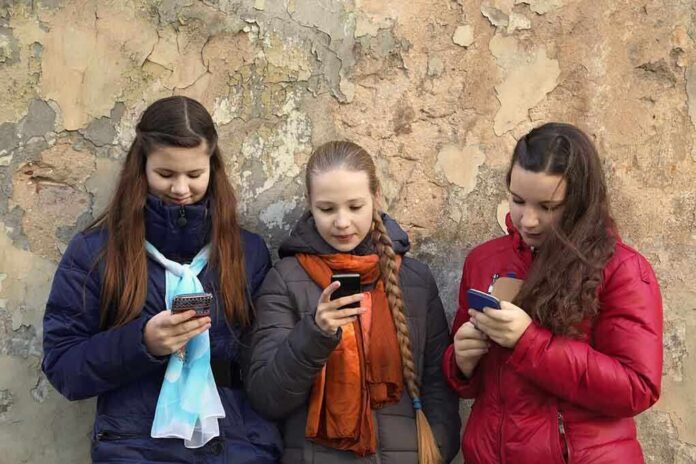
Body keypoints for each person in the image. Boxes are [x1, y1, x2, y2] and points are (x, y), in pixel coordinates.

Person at [41, 96, 282, 463]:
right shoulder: (96, 252)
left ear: (213, 168)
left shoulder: (247, 252)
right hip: (135, 446)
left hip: (235, 444)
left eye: (195, 175)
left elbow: (264, 363)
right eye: (166, 175)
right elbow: (63, 366)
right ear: (142, 167)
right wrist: (142, 343)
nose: (181, 189)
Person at [443, 122, 663, 463]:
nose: (527, 220)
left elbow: (637, 388)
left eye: (547, 207)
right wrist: (461, 361)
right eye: (517, 200)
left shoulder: (622, 269)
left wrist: (530, 342)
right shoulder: (484, 260)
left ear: (580, 202)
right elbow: (471, 384)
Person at [245, 141, 461, 463]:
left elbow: (437, 384)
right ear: (310, 204)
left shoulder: (414, 281)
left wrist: (436, 450)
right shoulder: (285, 279)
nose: (342, 223)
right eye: (327, 209)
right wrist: (315, 334)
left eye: (355, 206)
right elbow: (266, 396)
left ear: (376, 197)